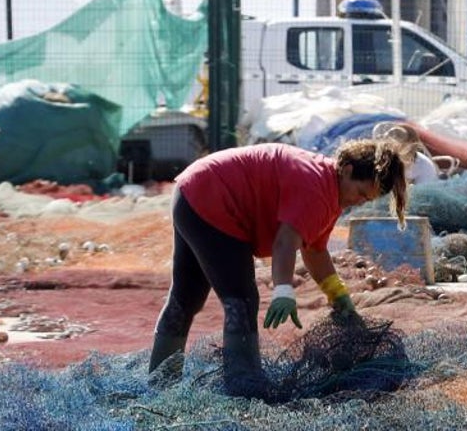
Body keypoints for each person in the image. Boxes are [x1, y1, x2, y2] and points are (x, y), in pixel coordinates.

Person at [148, 139, 408, 396]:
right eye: (361, 193)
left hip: (192, 192)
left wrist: (338, 295)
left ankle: (160, 386)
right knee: (241, 301)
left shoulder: (331, 190)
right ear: (348, 169)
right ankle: (243, 391)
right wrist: (283, 291)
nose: (359, 202)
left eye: (367, 200)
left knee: (185, 298)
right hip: (213, 199)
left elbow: (315, 250)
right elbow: (285, 243)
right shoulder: (316, 187)